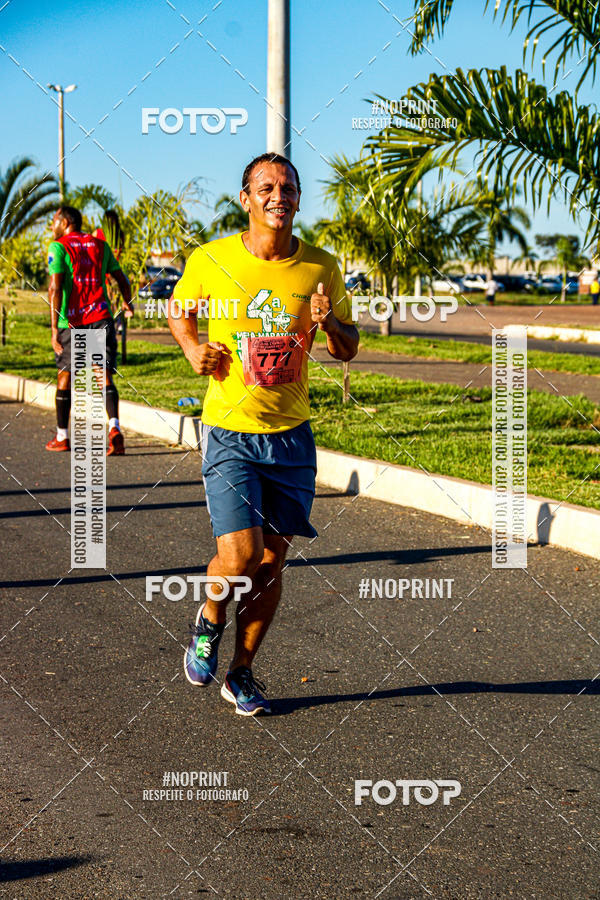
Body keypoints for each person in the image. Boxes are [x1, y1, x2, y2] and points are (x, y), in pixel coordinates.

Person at [168, 153, 359, 716]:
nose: (280, 196)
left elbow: (349, 347)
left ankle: (241, 672)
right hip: (230, 430)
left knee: (272, 564)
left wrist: (329, 324)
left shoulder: (321, 268)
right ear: (246, 198)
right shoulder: (213, 258)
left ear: (299, 199)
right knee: (241, 555)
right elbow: (181, 311)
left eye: (289, 188)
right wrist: (192, 348)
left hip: (292, 437)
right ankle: (208, 619)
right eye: (267, 187)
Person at [46, 205, 134, 454]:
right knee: (103, 374)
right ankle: (114, 427)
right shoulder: (100, 245)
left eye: (54, 221)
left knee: (65, 376)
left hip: (70, 322)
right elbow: (121, 278)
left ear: (64, 223)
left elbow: (55, 288)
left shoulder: (59, 246)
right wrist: (127, 300)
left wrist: (54, 328)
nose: (52, 226)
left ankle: (62, 436)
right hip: (100, 318)